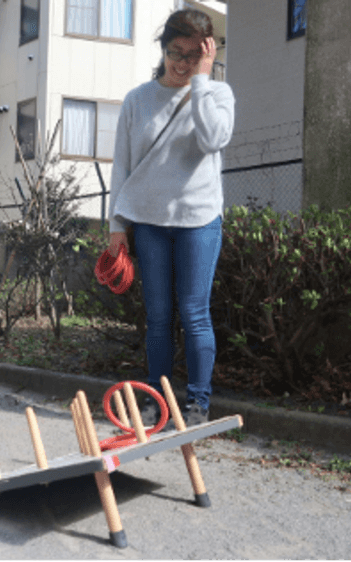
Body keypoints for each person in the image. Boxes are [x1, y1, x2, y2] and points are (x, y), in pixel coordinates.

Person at [108, 9, 235, 427]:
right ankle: (157, 401)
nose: (181, 63)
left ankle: (198, 403)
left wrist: (201, 81)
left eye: (191, 55)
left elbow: (213, 138)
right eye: (174, 53)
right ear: (163, 50)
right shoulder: (137, 99)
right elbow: (122, 168)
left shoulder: (218, 95)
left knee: (195, 312)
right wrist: (116, 227)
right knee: (159, 316)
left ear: (206, 53)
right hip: (148, 222)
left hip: (199, 219)